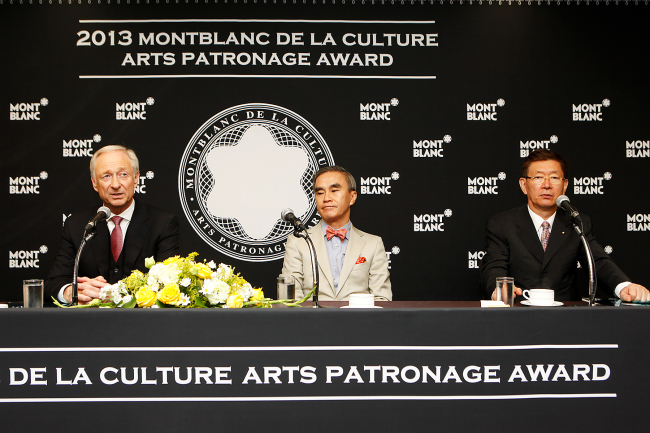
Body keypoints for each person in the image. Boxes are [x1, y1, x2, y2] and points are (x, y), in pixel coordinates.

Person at [480, 149, 649, 302]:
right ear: (524, 185)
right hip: (518, 315)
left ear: (565, 185)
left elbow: (597, 262)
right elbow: (493, 267)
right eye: (538, 177)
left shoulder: (577, 221)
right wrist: (499, 291)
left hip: (565, 317)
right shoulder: (502, 224)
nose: (547, 185)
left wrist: (624, 287)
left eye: (554, 177)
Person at [45, 145, 180, 305]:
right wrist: (72, 292)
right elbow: (53, 283)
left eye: (123, 174)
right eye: (106, 176)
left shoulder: (163, 223)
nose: (116, 184)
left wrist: (116, 295)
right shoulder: (77, 225)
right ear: (94, 183)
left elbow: (169, 286)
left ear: (136, 178)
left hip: (142, 324)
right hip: (89, 323)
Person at [281, 166, 392, 301]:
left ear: (352, 197)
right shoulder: (298, 241)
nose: (327, 198)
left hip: (358, 321)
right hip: (312, 320)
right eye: (320, 193)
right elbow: (291, 297)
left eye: (334, 190)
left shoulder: (373, 244)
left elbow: (382, 299)